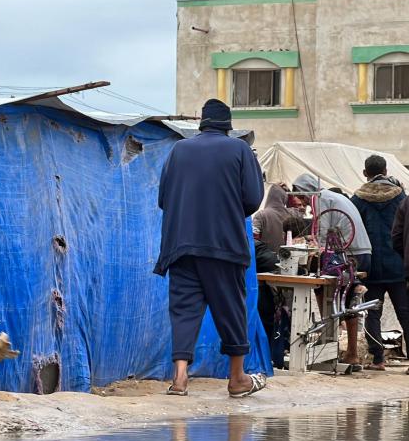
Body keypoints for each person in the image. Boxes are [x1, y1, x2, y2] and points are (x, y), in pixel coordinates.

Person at [154, 99, 266, 398]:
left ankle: (179, 378)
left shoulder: (178, 150)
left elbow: (163, 198)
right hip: (224, 245)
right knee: (231, 309)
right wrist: (227, 209)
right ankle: (238, 378)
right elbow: (253, 199)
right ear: (228, 126)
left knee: (184, 311)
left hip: (180, 246)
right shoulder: (240, 150)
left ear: (202, 123)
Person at [293, 173, 372, 368]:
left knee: (327, 290)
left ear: (306, 192)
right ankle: (340, 349)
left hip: (351, 254)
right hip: (360, 252)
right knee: (345, 300)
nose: (305, 203)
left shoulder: (321, 199)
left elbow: (322, 235)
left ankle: (338, 348)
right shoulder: (333, 197)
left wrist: (309, 248)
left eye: (302, 197)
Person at [351, 155, 408, 371]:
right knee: (405, 312)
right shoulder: (401, 197)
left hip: (370, 266)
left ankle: (378, 360)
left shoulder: (357, 199)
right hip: (398, 265)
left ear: (365, 173)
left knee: (372, 313)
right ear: (385, 170)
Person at [253, 184, 295, 252]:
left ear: (269, 197)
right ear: (284, 198)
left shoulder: (261, 215)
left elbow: (253, 238)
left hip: (266, 259)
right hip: (288, 258)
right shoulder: (292, 214)